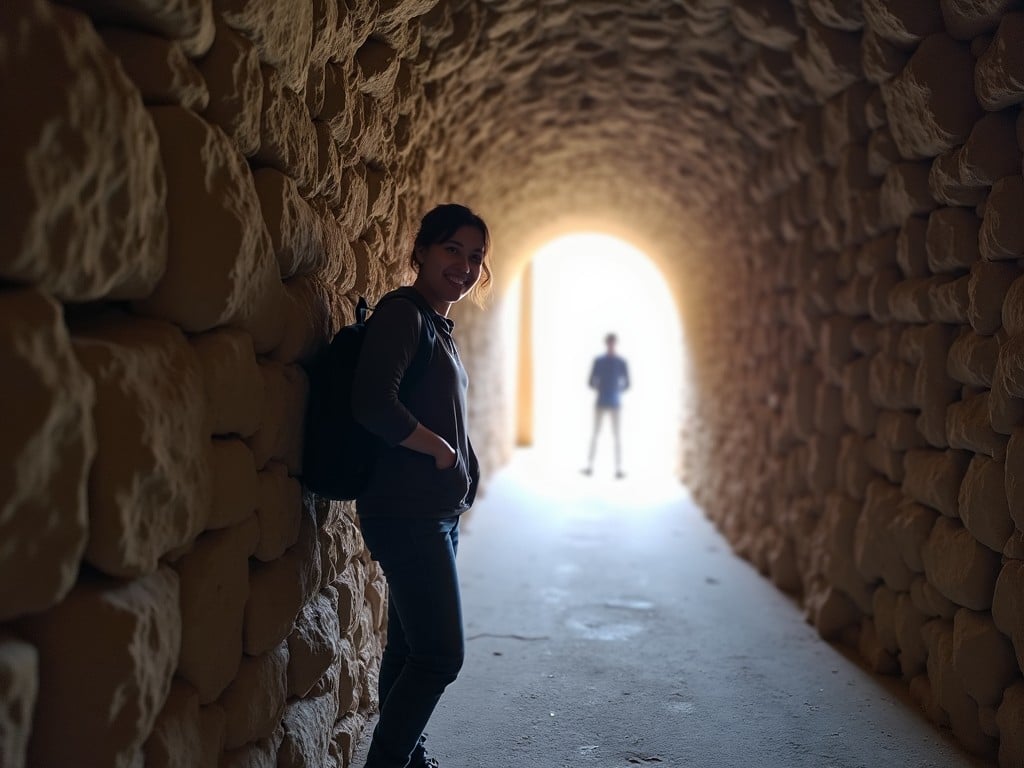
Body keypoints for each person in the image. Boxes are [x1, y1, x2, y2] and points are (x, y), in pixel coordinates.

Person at [351, 203, 491, 768]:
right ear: (423, 252)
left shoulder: (437, 323)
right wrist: (439, 449)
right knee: (441, 656)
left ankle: (406, 758)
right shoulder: (403, 314)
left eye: (475, 257)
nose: (464, 265)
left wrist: (459, 465)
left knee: (409, 647)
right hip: (406, 513)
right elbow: (371, 404)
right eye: (452, 250)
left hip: (435, 513)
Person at [582, 332, 630, 478]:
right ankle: (589, 466)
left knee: (617, 436)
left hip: (615, 403)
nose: (611, 345)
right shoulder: (598, 361)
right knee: (595, 434)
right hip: (601, 401)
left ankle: (618, 468)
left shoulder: (622, 362)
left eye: (613, 343)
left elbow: (628, 383)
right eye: (609, 343)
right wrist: (600, 387)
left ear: (616, 344)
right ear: (606, 344)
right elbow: (590, 381)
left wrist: (617, 389)